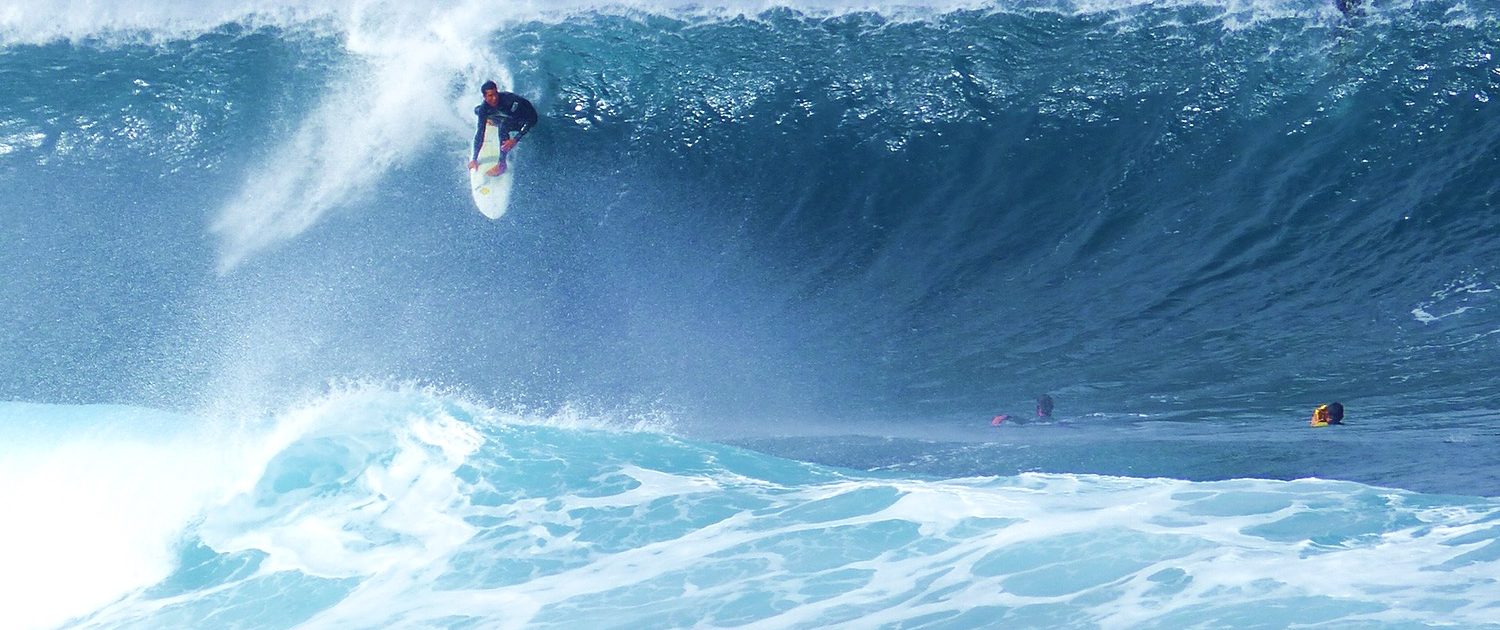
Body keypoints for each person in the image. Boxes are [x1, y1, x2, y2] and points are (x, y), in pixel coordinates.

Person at [468, 80, 538, 177]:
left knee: (503, 127)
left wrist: (515, 139)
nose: (495, 98)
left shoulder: (510, 101)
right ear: (484, 97)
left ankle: (502, 165)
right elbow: (480, 133)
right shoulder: (485, 107)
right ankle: (495, 121)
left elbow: (530, 120)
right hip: (509, 116)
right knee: (478, 111)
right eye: (490, 96)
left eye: (496, 94)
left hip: (527, 118)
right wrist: (474, 159)